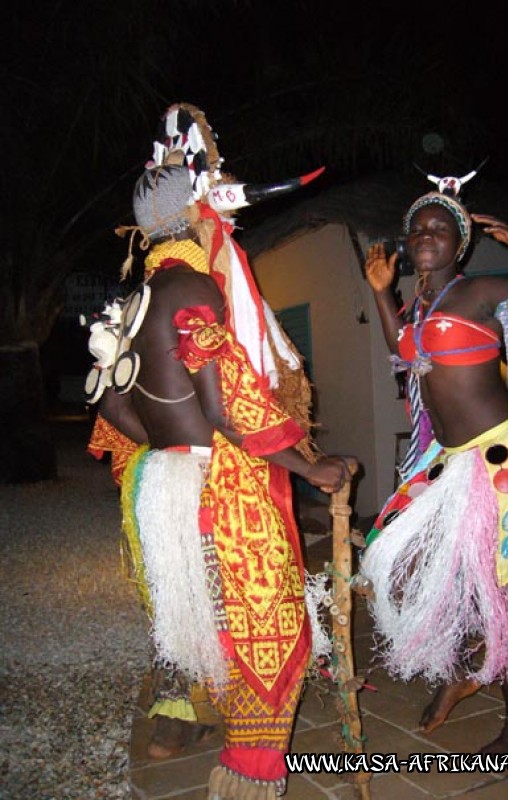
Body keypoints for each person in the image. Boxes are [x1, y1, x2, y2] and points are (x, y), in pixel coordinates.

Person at [91, 157, 350, 799]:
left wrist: (173, 446)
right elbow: (227, 404)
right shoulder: (193, 288)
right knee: (267, 627)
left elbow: (114, 410)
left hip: (160, 488)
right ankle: (247, 777)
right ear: (198, 217)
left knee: (203, 625)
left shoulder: (134, 302)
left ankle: (203, 730)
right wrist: (307, 464)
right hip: (212, 494)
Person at [359, 188, 508, 758]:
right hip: (451, 463)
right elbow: (403, 349)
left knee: (503, 596)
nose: (424, 237)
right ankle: (463, 669)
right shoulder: (420, 304)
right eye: (417, 230)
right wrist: (382, 294)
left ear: (462, 242)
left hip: (499, 460)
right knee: (397, 561)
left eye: (438, 228)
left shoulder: (484, 292)